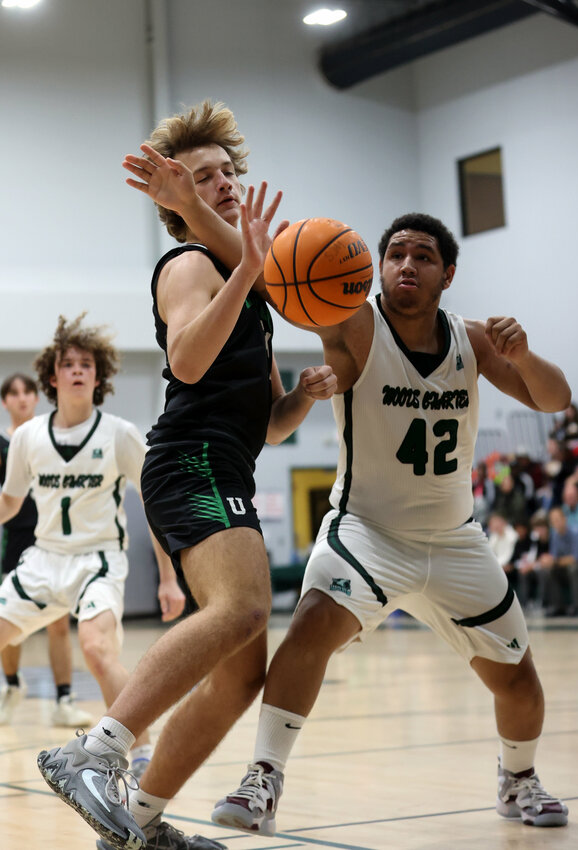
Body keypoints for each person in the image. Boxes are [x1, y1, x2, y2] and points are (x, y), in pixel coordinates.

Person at [201, 212, 571, 833]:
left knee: (522, 685)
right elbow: (270, 271)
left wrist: (525, 356)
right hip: (367, 529)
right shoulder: (354, 322)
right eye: (395, 253)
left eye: (423, 257)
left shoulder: (476, 341)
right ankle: (263, 775)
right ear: (376, 266)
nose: (407, 265)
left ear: (448, 274)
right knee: (313, 624)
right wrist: (193, 210)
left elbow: (554, 399)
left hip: (456, 539)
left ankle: (519, 778)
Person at [38, 101, 337, 850]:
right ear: (178, 202)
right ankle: (93, 751)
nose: (225, 183)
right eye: (203, 177)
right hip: (190, 455)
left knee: (241, 674)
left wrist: (300, 396)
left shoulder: (255, 292)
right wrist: (247, 273)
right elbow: (187, 363)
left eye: (229, 171)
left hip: (226, 458)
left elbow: (266, 424)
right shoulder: (190, 264)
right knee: (239, 611)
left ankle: (134, 822)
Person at [0, 315, 185, 766]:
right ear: (53, 375)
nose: (78, 370)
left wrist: (168, 579)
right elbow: (8, 503)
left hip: (98, 562)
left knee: (98, 650)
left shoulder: (119, 434)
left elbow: (152, 504)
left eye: (86, 363)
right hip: (43, 560)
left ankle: (140, 752)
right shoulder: (27, 438)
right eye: (69, 363)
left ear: (98, 376)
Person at [0, 373, 92, 727]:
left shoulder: (51, 437)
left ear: (36, 398)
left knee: (57, 622)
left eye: (27, 392)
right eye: (14, 393)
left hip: (52, 538)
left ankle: (64, 700)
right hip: (16, 538)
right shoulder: (5, 444)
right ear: (5, 402)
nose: (22, 399)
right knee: (12, 618)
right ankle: (11, 686)